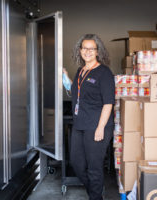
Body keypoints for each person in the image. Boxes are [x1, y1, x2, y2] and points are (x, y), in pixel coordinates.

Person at [63, 34, 115, 200]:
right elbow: (78, 93)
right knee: (77, 164)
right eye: (84, 48)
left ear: (98, 52)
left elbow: (108, 103)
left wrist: (100, 128)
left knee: (94, 168)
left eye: (91, 48)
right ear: (80, 50)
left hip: (97, 126)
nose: (87, 51)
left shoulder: (104, 73)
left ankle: (95, 197)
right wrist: (67, 81)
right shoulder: (81, 71)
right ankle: (95, 193)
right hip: (80, 124)